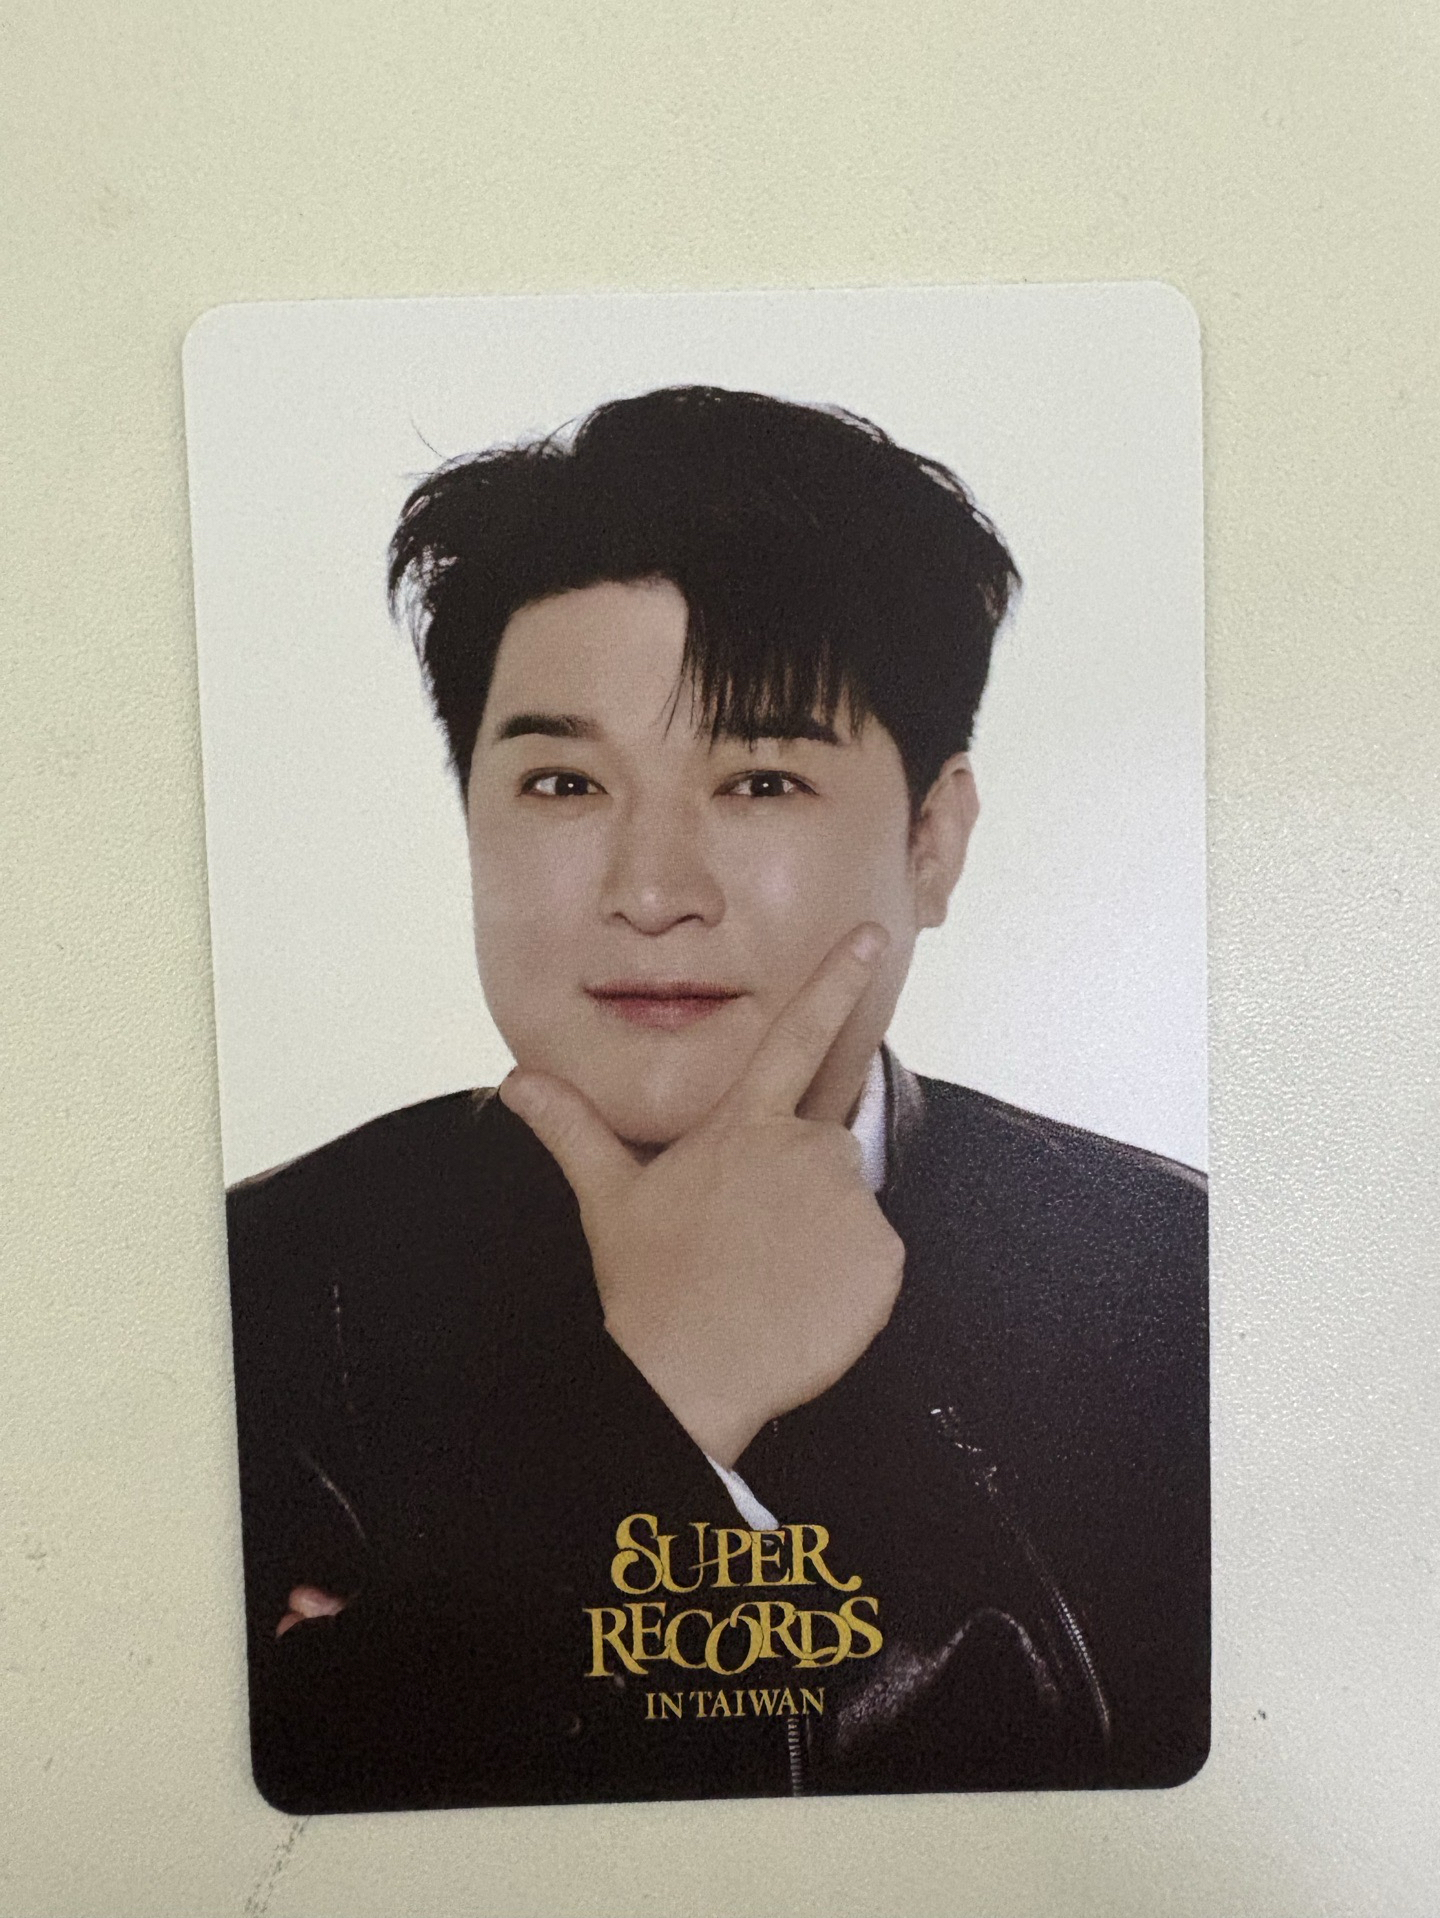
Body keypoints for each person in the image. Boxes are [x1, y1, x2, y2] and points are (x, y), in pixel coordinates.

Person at [228, 385, 1208, 1812]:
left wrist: (412, 1646)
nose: (651, 892)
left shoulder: (1181, 1286)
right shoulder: (243, 1296)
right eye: (563, 783)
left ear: (933, 841)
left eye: (758, 780)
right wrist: (661, 1402)